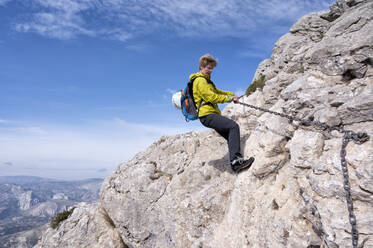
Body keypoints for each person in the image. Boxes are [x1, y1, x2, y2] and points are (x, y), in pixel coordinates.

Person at [191, 54, 255, 173]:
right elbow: (211, 96)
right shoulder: (200, 81)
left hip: (208, 115)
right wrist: (229, 99)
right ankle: (236, 162)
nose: (210, 71)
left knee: (230, 135)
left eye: (212, 69)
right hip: (207, 115)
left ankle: (236, 161)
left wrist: (232, 95)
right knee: (233, 126)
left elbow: (218, 91)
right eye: (208, 68)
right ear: (201, 67)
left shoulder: (206, 81)